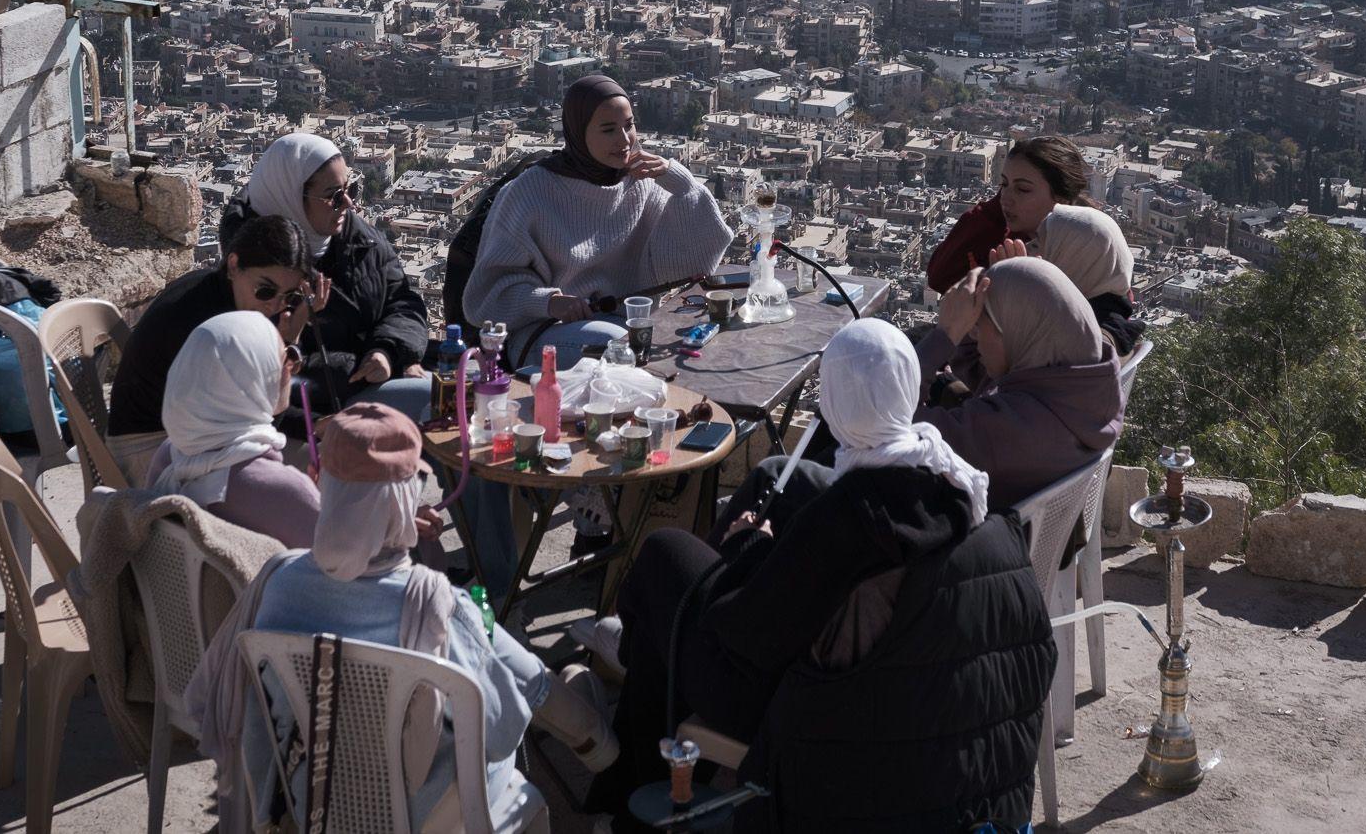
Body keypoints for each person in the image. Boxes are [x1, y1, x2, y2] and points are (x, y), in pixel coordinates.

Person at [584, 319, 1055, 834]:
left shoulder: (850, 522)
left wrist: (747, 547)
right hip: (958, 757)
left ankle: (636, 773)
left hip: (842, 740)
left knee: (664, 559)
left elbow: (743, 635)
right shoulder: (965, 494)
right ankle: (639, 728)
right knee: (671, 614)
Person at [240, 404, 620, 830]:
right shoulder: (431, 604)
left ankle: (589, 729)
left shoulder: (278, 581)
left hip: (317, 790)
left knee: (500, 655)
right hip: (423, 808)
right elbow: (501, 728)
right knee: (510, 663)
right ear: (404, 500)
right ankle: (595, 738)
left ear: (318, 481)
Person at [463, 73, 733, 370]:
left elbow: (699, 260)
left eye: (629, 125)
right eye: (608, 130)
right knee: (625, 350)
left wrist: (678, 179)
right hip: (542, 333)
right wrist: (550, 302)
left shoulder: (640, 181)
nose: (624, 140)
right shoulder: (530, 192)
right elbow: (485, 298)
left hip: (627, 326)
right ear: (579, 132)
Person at [224, 131, 432, 420]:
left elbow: (402, 301)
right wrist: (358, 368)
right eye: (333, 196)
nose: (349, 203)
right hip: (307, 415)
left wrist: (388, 352)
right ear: (291, 196)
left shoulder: (358, 238)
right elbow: (267, 366)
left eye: (351, 189)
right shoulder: (258, 272)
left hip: (368, 385)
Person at [108, 215, 322, 483]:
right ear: (234, 265)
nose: (276, 306)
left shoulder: (223, 295)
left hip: (187, 435)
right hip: (147, 447)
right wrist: (288, 345)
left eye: (290, 297)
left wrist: (316, 424)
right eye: (266, 290)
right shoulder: (213, 329)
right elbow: (256, 424)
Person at [918, 255, 1122, 508]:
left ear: (1017, 330)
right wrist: (1016, 287)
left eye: (979, 324)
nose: (972, 332)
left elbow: (883, 421)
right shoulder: (1085, 395)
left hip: (977, 540)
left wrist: (945, 334)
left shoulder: (1000, 431)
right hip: (1039, 542)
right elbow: (985, 369)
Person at [144, 311, 321, 549]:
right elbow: (343, 572)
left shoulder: (168, 458)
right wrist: (322, 498)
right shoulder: (287, 491)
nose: (292, 367)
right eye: (285, 357)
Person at [924, 135, 1090, 295]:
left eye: (1023, 189)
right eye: (1004, 184)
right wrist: (993, 211)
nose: (1005, 198)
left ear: (1060, 199)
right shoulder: (1001, 239)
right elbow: (939, 278)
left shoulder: (1083, 256)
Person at [1031, 203, 1143, 356]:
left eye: (1036, 244)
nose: (1027, 247)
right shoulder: (1107, 326)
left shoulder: (1081, 344)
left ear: (1072, 260)